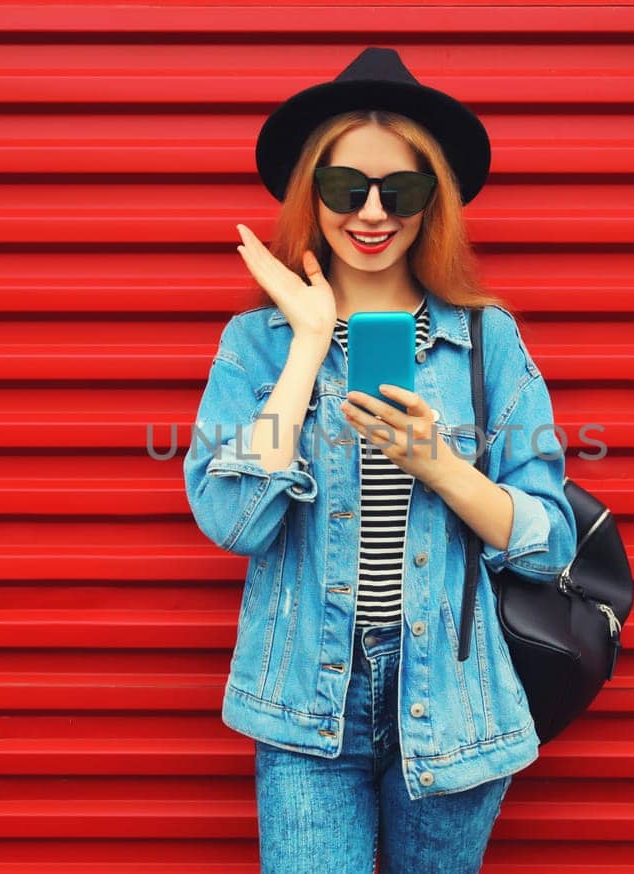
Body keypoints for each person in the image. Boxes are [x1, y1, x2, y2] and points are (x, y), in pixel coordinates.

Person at [183, 46, 578, 873]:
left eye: (399, 190)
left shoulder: (484, 340)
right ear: (312, 195)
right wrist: (311, 346)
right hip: (303, 700)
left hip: (455, 703)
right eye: (343, 188)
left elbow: (550, 540)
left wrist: (440, 466)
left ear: (433, 202)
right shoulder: (258, 344)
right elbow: (230, 518)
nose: (371, 212)